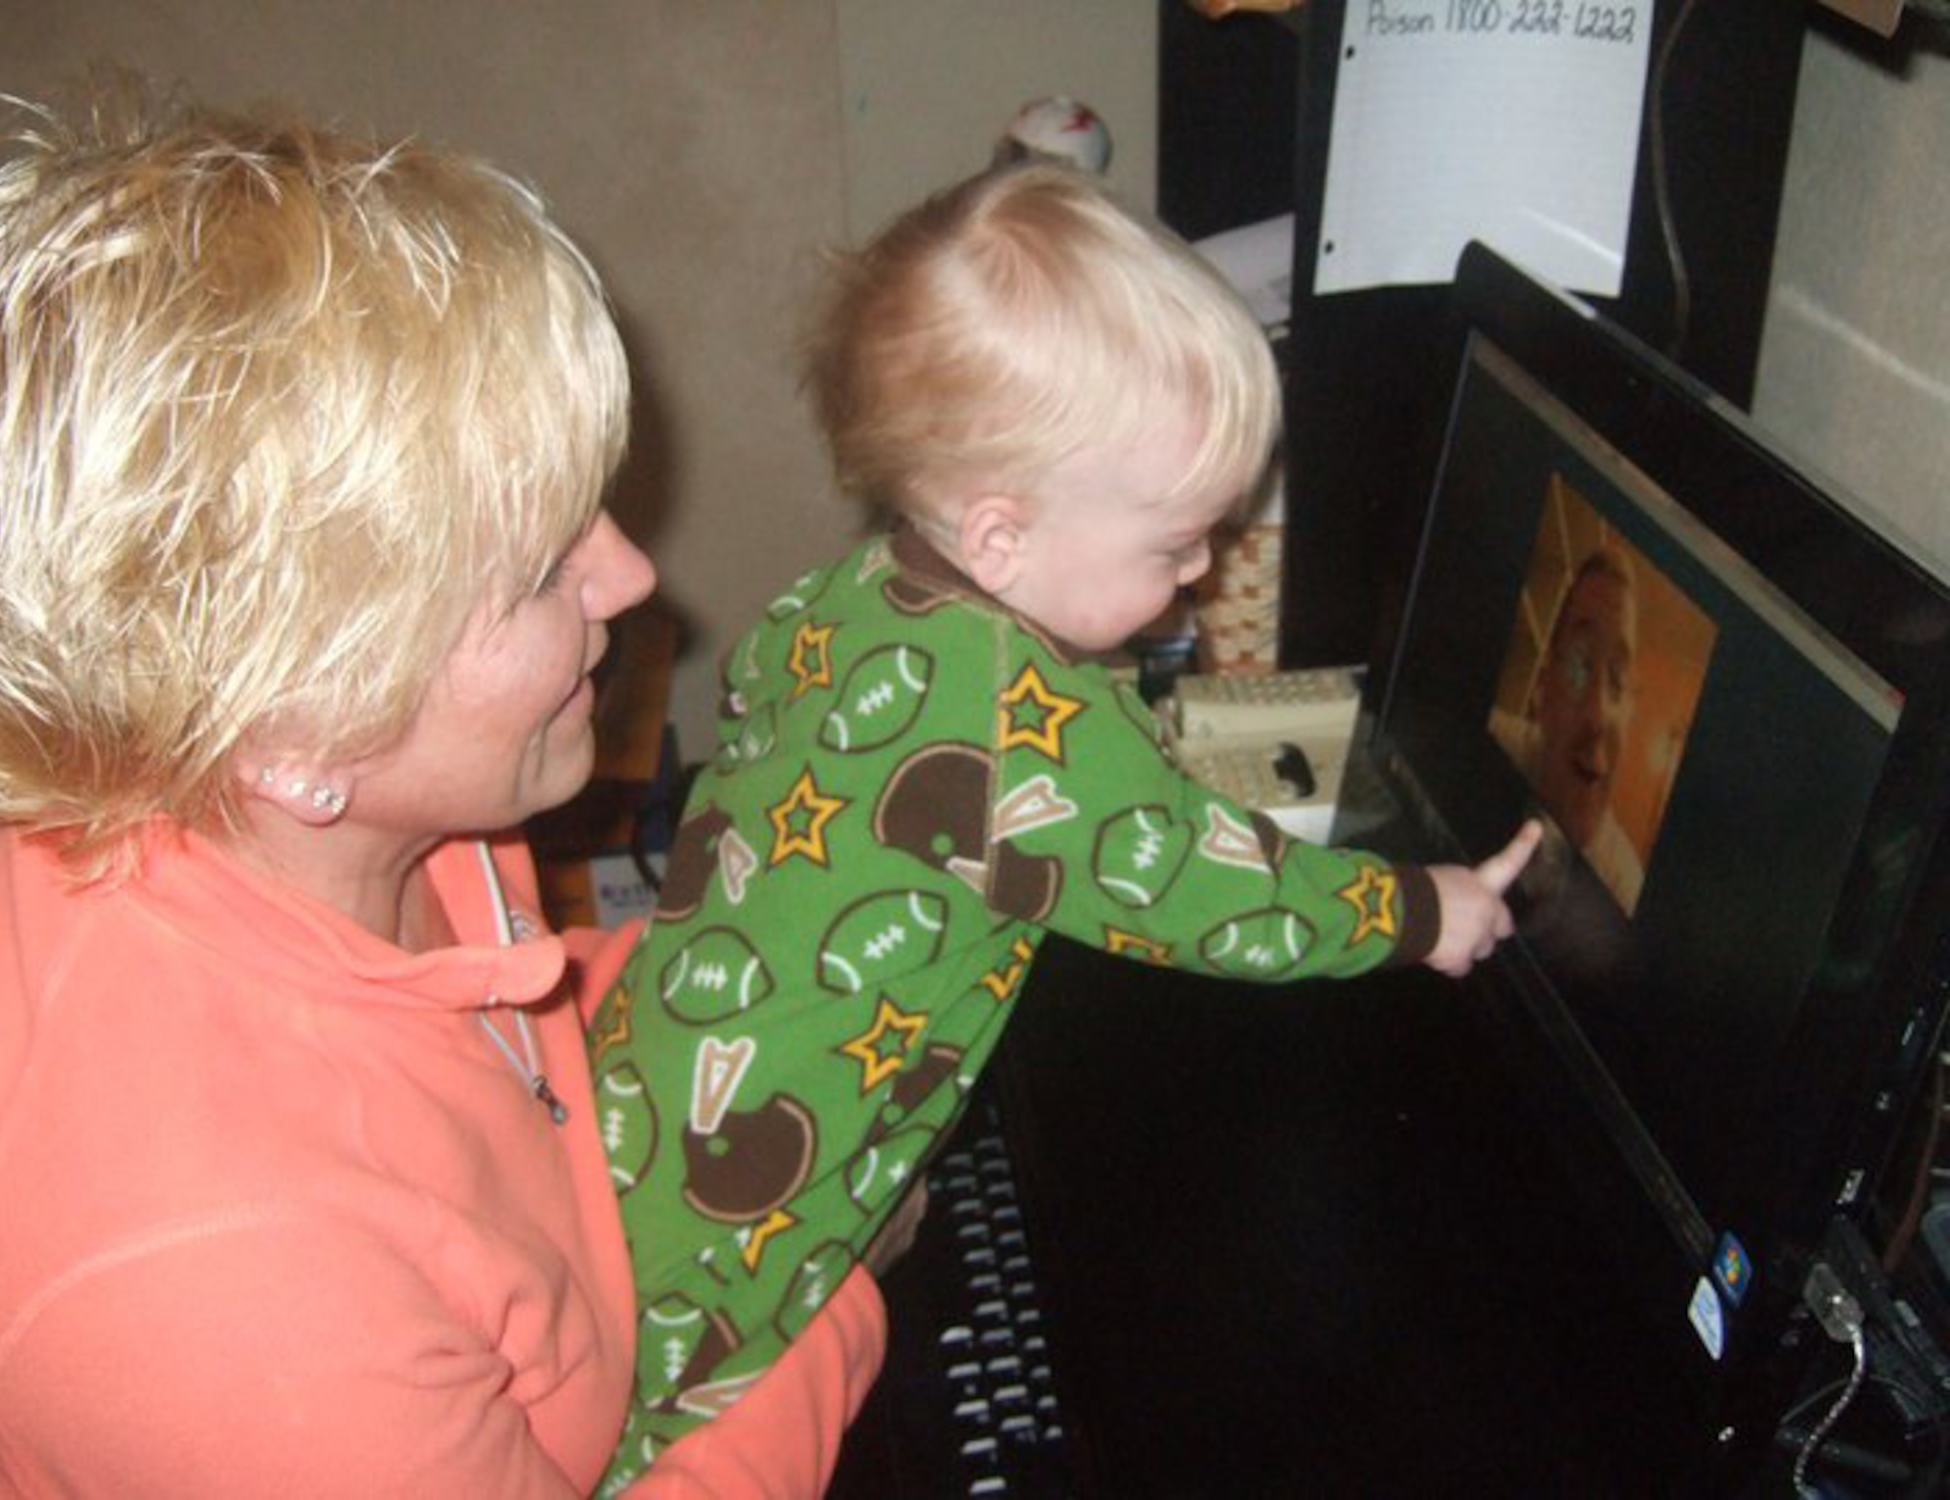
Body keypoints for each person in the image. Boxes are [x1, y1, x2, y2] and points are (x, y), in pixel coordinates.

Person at [0, 97, 886, 1496]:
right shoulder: (213, 1290)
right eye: (538, 569)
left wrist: (788, 980)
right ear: (287, 729)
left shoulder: (329, 794)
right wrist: (846, 1284)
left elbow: (504, 1057)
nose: (629, 579)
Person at [588, 161, 1542, 1482]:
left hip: (643, 1102)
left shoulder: (849, 597)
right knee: (656, 1441)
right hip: (732, 1239)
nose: (1202, 567)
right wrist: (1427, 911)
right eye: (1173, 545)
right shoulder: (1016, 724)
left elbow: (803, 733)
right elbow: (1225, 905)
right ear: (1001, 535)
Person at [1495, 547, 1645, 910]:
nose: (1597, 714)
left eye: (1618, 678)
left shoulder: (1624, 886)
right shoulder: (1494, 741)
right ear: (1542, 689)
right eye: (1579, 665)